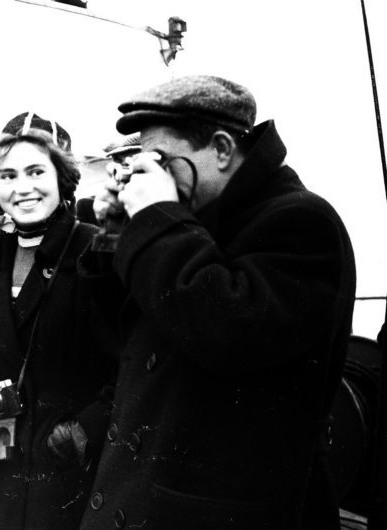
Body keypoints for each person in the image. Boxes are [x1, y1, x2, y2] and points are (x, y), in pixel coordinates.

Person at [80, 75, 356, 529]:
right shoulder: (193, 221)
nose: (148, 177)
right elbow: (125, 339)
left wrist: (156, 219)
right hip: (155, 494)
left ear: (223, 149)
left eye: (161, 161)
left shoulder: (301, 221)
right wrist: (116, 234)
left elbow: (225, 330)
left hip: (222, 510)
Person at [0, 112, 118, 529]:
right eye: (8, 175)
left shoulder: (96, 251)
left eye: (36, 171)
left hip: (67, 470)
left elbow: (130, 362)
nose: (22, 188)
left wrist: (83, 431)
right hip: (3, 464)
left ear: (62, 177)